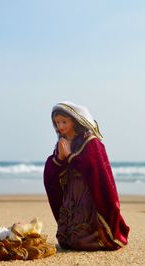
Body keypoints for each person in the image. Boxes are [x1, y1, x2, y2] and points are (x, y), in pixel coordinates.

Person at [43, 101, 129, 251]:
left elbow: (94, 169)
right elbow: (55, 168)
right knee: (66, 238)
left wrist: (69, 156)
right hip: (71, 193)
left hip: (88, 193)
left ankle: (95, 237)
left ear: (75, 121)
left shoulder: (91, 142)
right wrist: (59, 159)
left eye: (64, 121)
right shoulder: (62, 142)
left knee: (81, 238)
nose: (60, 126)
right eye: (57, 122)